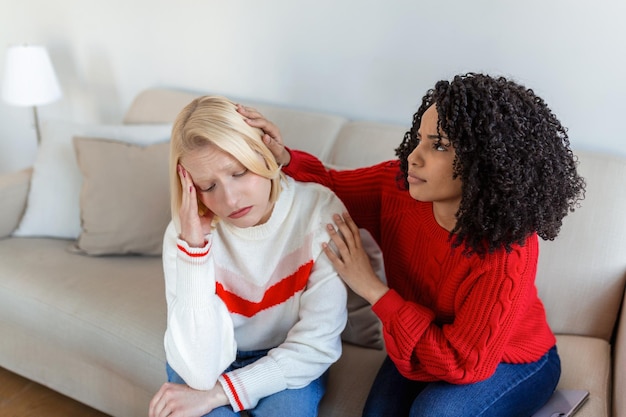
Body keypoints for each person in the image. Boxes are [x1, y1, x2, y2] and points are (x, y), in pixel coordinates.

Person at [239, 73, 586, 417]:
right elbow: (329, 188)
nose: (413, 158)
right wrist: (282, 156)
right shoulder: (397, 187)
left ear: (486, 161)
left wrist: (372, 289)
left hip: (511, 360)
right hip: (421, 337)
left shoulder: (508, 250)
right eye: (419, 139)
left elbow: (464, 364)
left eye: (438, 145)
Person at [149, 95, 352, 417]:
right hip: (213, 355)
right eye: (207, 185)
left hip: (288, 356)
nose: (229, 199)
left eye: (240, 172)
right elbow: (201, 370)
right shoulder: (184, 236)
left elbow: (316, 345)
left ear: (261, 154)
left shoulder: (318, 212)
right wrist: (194, 252)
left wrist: (222, 392)